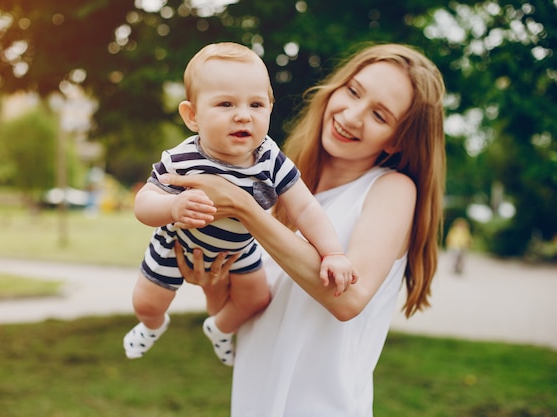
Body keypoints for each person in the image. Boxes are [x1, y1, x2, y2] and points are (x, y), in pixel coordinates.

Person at [164, 42, 446, 416]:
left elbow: (348, 299)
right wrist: (212, 281)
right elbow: (238, 320)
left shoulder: (391, 190)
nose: (352, 115)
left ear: (396, 140)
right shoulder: (282, 185)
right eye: (353, 91)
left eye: (379, 114)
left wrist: (244, 208)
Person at [123, 42, 357, 366]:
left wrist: (333, 252)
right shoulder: (184, 159)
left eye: (256, 104)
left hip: (239, 250)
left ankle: (219, 328)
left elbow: (305, 208)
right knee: (147, 303)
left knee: (257, 299)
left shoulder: (270, 159)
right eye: (225, 103)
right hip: (176, 243)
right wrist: (171, 209)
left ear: (270, 109)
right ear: (192, 115)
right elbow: (144, 202)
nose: (243, 115)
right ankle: (151, 326)